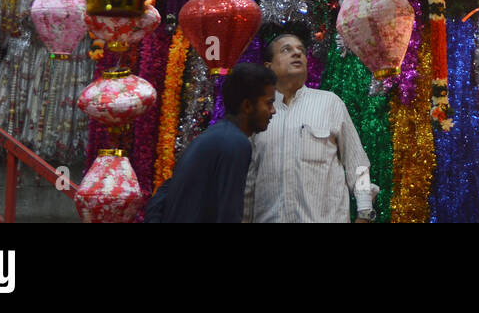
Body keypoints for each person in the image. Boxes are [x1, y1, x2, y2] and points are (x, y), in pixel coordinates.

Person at [243, 24, 377, 223]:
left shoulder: (329, 103)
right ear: (268, 67)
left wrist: (365, 213)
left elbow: (358, 165)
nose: (297, 53)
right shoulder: (258, 113)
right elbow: (249, 183)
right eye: (286, 50)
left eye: (301, 51)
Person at [144, 63, 277, 223]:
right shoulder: (235, 143)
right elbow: (228, 213)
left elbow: (163, 194)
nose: (273, 110)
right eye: (269, 103)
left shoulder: (213, 135)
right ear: (247, 106)